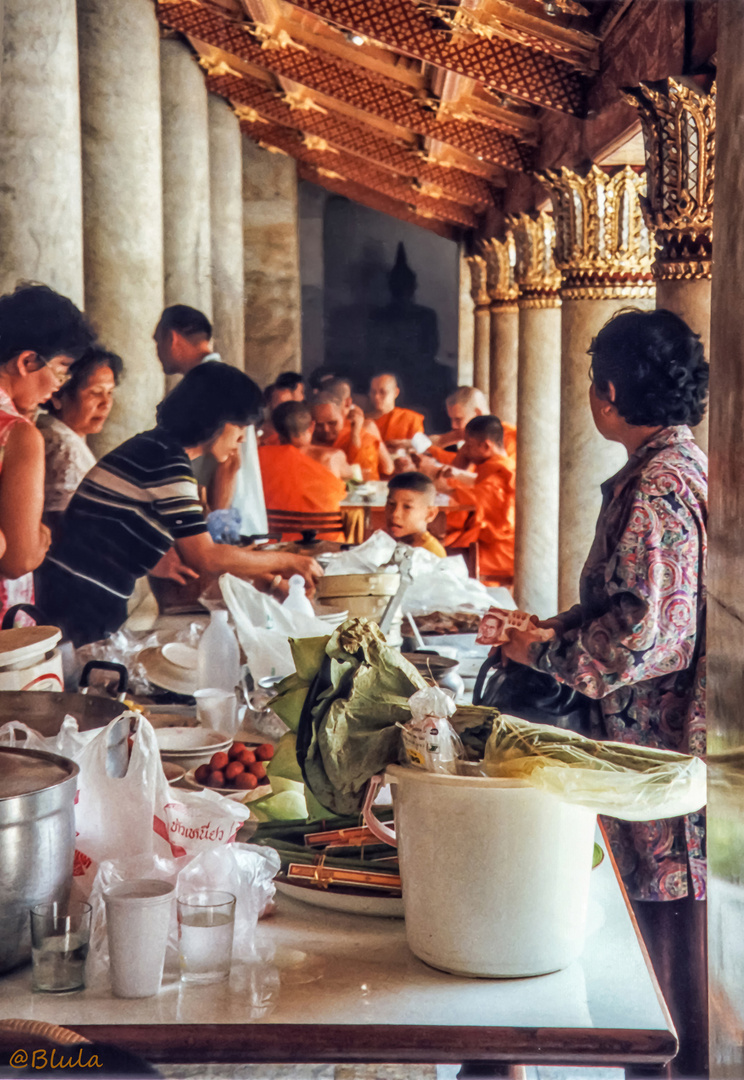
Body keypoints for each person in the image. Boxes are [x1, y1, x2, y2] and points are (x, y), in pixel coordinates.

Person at [501, 308, 709, 1080]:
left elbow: (649, 635)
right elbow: (637, 603)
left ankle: (667, 1069)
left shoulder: (657, 487)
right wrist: (563, 620)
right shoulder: (674, 469)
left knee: (664, 928)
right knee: (656, 914)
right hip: (648, 740)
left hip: (655, 742)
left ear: (611, 391)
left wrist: (539, 648)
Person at [37, 363, 322, 646]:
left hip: (84, 594)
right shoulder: (167, 461)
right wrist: (289, 561)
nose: (242, 439)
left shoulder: (160, 448)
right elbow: (205, 556)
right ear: (215, 420)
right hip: (80, 599)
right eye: (240, 426)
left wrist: (272, 581)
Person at [0, 284, 95, 623]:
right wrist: (41, 535)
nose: (60, 383)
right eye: (60, 368)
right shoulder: (17, 434)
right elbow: (19, 560)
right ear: (26, 362)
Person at [38, 346, 123, 538]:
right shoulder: (64, 449)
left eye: (110, 392)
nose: (106, 403)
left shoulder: (59, 435)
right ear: (58, 396)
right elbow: (65, 531)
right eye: (95, 393)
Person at [437, 415, 515, 582]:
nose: (465, 450)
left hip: (502, 552)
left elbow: (473, 501)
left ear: (486, 446)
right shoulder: (496, 467)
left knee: (441, 560)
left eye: (469, 445)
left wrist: (444, 488)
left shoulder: (500, 476)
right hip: (494, 544)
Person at [259, 402, 347, 542]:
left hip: (275, 547)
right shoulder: (332, 457)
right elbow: (354, 477)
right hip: (327, 546)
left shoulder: (260, 457)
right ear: (312, 426)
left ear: (275, 430)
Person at [322, 375, 394, 477]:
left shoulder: (314, 428)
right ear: (348, 402)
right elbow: (388, 468)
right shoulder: (367, 427)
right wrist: (356, 434)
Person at [274, 401, 353, 480]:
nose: (326, 429)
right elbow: (356, 477)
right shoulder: (332, 457)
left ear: (278, 435)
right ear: (312, 426)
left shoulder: (270, 462)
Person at [312, 392, 380, 481]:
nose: (326, 429)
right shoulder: (311, 439)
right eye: (319, 425)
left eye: (332, 423)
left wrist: (355, 436)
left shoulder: (362, 436)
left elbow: (366, 476)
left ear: (343, 414)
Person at [385, 472, 445, 556]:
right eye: (391, 504)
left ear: (430, 514)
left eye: (407, 507)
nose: (395, 514)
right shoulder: (385, 544)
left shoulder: (431, 553)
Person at [153, 304, 218, 376]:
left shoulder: (203, 382)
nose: (157, 351)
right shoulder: (224, 377)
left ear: (172, 339)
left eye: (158, 342)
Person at [368, 373, 425, 445]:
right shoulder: (364, 420)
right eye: (373, 392)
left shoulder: (411, 418)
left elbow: (419, 448)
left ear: (395, 393)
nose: (376, 397)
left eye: (382, 392)